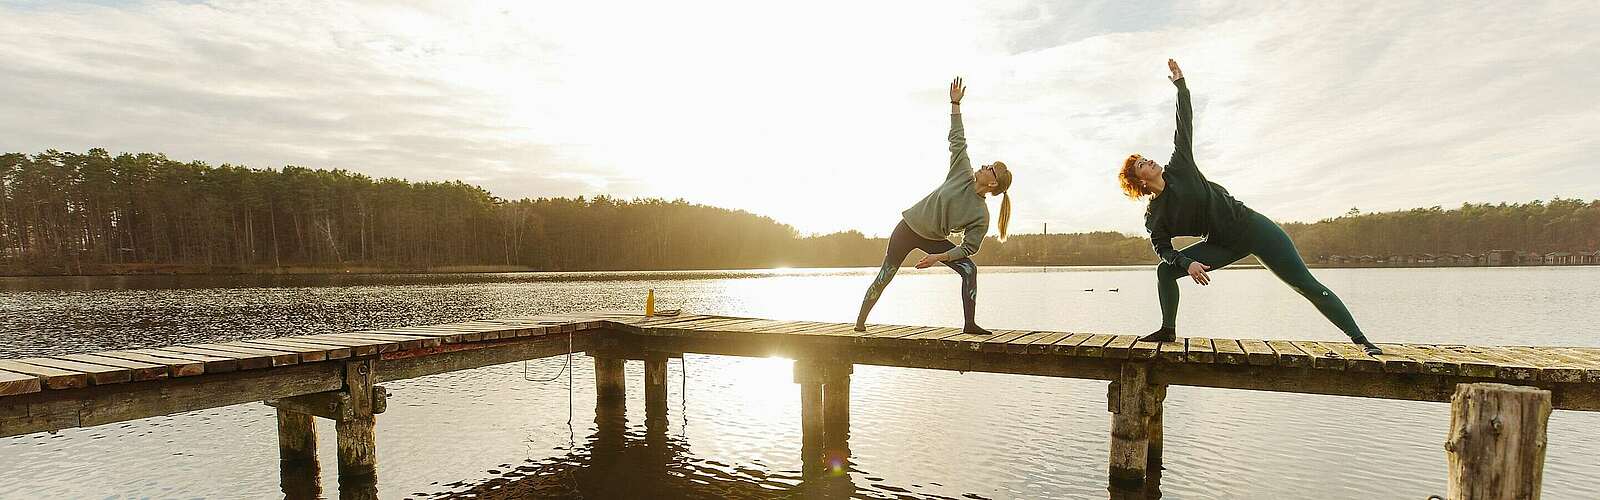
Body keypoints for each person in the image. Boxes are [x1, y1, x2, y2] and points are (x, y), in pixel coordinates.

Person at [1119, 59, 1383, 355]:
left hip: (1254, 229)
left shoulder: (1180, 166)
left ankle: (1361, 340)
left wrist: (1181, 86)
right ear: (1140, 182)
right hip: (1222, 244)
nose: (1150, 161)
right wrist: (1186, 263)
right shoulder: (1156, 215)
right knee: (1164, 272)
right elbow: (1163, 249)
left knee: (1305, 284)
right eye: (1142, 164)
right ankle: (1168, 330)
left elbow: (1184, 124)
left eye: (1146, 157)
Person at [854, 77, 1013, 335]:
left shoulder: (980, 215)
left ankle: (969, 325)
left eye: (990, 168)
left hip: (934, 240)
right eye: (988, 164)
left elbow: (968, 248)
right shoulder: (962, 171)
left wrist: (938, 257)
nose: (984, 166)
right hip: (908, 227)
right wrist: (955, 103)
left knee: (969, 270)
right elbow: (957, 138)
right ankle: (860, 322)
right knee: (886, 274)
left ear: (993, 184)